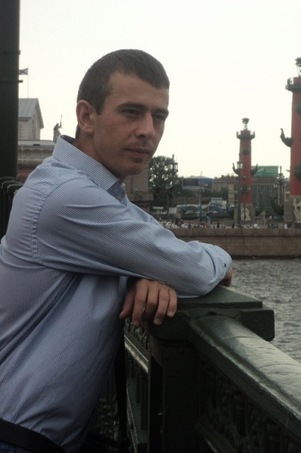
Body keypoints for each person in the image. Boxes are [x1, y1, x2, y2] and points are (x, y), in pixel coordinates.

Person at [0, 49, 233, 452]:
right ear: (86, 116)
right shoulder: (66, 197)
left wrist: (148, 272)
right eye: (131, 113)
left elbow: (164, 252)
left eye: (159, 117)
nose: (148, 131)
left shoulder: (99, 193)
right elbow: (194, 270)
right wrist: (215, 257)